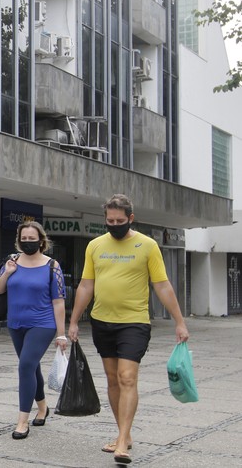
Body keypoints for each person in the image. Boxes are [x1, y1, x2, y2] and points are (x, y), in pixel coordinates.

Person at [68, 194, 189, 465]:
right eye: (110, 221)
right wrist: (74, 321)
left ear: (131, 218)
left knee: (127, 378)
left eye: (120, 221)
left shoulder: (147, 245)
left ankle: (122, 443)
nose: (114, 225)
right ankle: (125, 432)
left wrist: (179, 321)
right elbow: (86, 285)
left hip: (134, 322)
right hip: (101, 321)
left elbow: (162, 285)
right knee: (112, 380)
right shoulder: (95, 246)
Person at [0, 220, 67, 440]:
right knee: (32, 368)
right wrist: (7, 272)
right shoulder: (12, 261)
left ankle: (22, 421)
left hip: (43, 324)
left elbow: (59, 301)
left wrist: (61, 334)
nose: (27, 243)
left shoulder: (52, 265)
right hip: (16, 324)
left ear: (41, 240)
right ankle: (42, 407)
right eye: (24, 239)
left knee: (25, 366)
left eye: (31, 239)